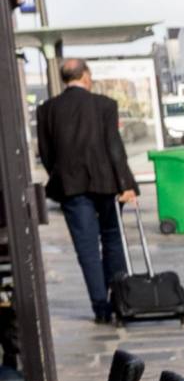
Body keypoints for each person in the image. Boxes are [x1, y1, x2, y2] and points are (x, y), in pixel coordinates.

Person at [34, 59, 138, 326]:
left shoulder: (48, 110)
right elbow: (115, 147)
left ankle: (101, 308)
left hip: (71, 187)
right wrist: (126, 184)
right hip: (107, 185)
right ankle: (121, 299)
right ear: (85, 75)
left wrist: (59, 174)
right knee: (113, 240)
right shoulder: (105, 105)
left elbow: (45, 152)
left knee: (87, 249)